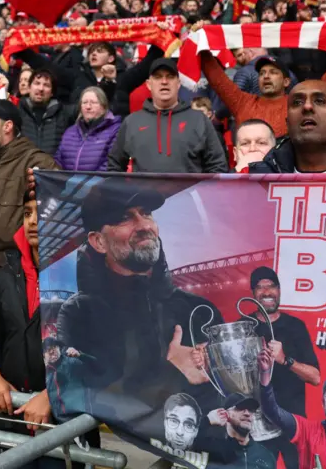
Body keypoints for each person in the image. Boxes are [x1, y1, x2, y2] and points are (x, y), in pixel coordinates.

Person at [56, 178, 224, 417]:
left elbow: (227, 397)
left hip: (194, 448)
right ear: (98, 241)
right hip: (119, 450)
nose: (143, 225)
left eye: (146, 213)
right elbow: (85, 393)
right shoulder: (79, 314)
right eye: (124, 218)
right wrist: (172, 371)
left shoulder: (198, 310)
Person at [0, 194, 98, 466]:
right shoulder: (4, 276)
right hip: (7, 416)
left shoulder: (90, 282)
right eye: (27, 213)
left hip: (63, 423)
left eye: (43, 214)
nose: (33, 221)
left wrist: (52, 395)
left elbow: (98, 351)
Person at [200, 21, 326, 138]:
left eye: (273, 72)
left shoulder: (299, 104)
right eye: (262, 73)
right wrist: (201, 40)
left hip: (288, 173)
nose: (266, 76)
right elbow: (216, 78)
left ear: (286, 81)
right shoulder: (242, 102)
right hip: (252, 173)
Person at [244, 267, 320, 468]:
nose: (266, 292)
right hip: (257, 425)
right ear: (253, 293)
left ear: (279, 290)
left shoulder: (295, 326)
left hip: (292, 423)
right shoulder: (243, 326)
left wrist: (286, 360)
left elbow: (315, 378)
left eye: (271, 286)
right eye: (260, 287)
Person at [107, 58, 228, 173]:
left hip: (187, 195)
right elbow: (115, 165)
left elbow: (217, 165)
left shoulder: (199, 120)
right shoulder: (132, 122)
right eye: (158, 77)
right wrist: (128, 194)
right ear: (149, 84)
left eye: (170, 77)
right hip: (143, 195)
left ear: (179, 83)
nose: (164, 82)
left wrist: (200, 193)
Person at [0, 99, 59, 267]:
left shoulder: (36, 162)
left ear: (7, 126)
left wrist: (45, 189)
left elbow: (66, 200)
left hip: (14, 269)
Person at [54, 86, 122, 171]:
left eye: (93, 102)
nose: (88, 107)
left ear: (104, 107)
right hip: (67, 183)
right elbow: (58, 162)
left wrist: (87, 183)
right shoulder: (70, 132)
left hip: (98, 183)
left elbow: (110, 165)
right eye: (84, 103)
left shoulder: (115, 130)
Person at [208, 393, 277, 469]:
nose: (247, 413)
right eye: (240, 408)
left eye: (251, 410)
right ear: (225, 413)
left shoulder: (266, 456)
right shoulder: (213, 452)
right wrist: (207, 421)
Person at [18, 68, 76, 155]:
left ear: (52, 92)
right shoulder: (17, 113)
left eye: (46, 85)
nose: (41, 88)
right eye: (37, 83)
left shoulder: (64, 113)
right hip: (23, 167)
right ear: (29, 87)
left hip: (52, 167)